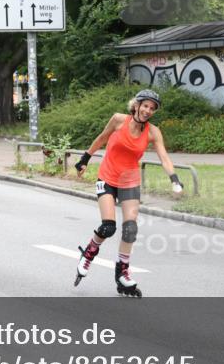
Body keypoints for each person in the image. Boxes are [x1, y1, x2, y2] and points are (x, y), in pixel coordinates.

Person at [73, 88, 183, 297]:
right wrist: (84, 160)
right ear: (136, 105)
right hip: (107, 177)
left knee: (130, 228)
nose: (148, 110)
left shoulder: (153, 132)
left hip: (130, 181)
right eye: (145, 106)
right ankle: (88, 254)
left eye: (152, 108)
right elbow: (102, 138)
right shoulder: (118, 120)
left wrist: (175, 179)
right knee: (108, 227)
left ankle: (122, 273)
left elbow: (164, 158)